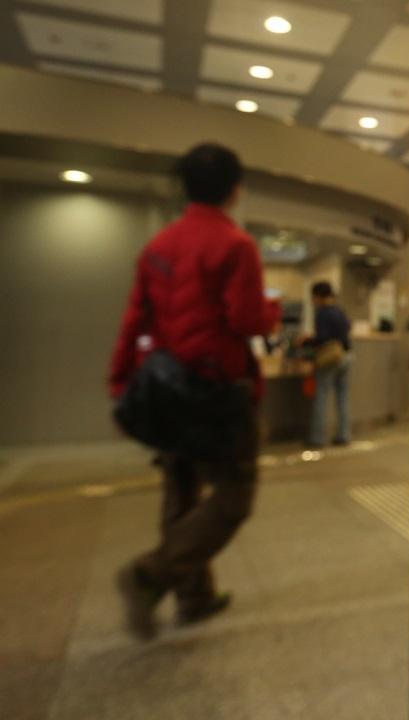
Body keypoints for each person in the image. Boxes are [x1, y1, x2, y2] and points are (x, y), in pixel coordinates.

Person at [109, 143, 280, 640]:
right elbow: (246, 320)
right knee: (234, 495)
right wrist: (270, 313)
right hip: (217, 391)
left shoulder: (157, 246)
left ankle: (194, 596)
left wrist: (120, 381)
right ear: (234, 188)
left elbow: (134, 319)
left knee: (180, 489)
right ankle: (152, 574)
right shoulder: (235, 245)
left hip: (166, 388)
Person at [306, 281, 352, 448]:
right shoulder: (339, 311)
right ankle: (344, 434)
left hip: (330, 357)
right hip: (346, 356)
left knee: (321, 397)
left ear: (318, 296)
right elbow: (348, 329)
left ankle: (318, 437)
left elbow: (322, 337)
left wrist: (307, 341)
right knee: (342, 398)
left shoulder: (323, 313)